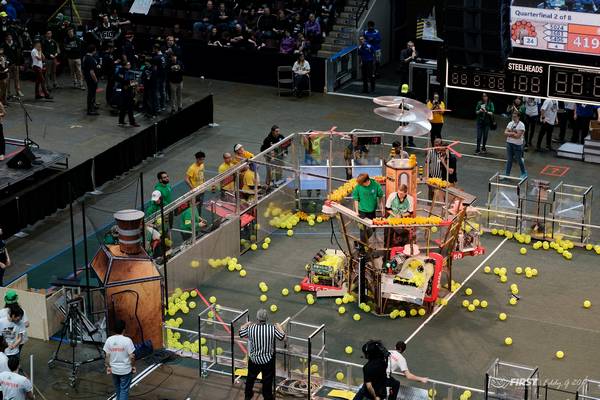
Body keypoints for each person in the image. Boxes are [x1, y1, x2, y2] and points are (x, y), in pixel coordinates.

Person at [239, 309, 286, 400]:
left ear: (257, 318)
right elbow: (283, 338)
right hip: (267, 360)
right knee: (267, 381)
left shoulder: (251, 328)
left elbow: (241, 333)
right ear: (266, 318)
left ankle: (248, 395)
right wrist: (279, 327)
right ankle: (267, 397)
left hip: (254, 360)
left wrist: (246, 324)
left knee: (250, 378)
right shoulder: (271, 329)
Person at [104, 319, 136, 400]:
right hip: (125, 370)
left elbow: (107, 356)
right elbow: (132, 357)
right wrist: (133, 366)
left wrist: (108, 366)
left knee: (118, 389)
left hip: (114, 370)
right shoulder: (127, 341)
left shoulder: (109, 340)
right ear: (124, 330)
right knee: (124, 390)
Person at [352, 173, 384, 244]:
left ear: (367, 181)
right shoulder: (358, 186)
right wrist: (357, 211)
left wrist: (382, 208)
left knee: (373, 228)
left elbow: (380, 197)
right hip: (362, 211)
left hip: (372, 211)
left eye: (362, 184)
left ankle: (361, 243)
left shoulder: (376, 185)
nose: (361, 185)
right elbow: (356, 199)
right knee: (362, 230)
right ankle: (362, 246)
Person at [115, 61, 139, 127]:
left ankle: (121, 121)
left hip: (125, 91)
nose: (130, 65)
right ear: (125, 65)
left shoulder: (124, 71)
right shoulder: (123, 71)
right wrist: (135, 83)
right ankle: (132, 122)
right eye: (128, 64)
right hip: (126, 91)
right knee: (130, 107)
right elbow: (126, 81)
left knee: (124, 107)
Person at [504, 111, 527, 179]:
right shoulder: (510, 123)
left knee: (519, 159)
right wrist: (513, 134)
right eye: (513, 116)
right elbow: (505, 133)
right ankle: (507, 175)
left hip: (517, 145)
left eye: (515, 116)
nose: (513, 117)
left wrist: (509, 134)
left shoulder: (521, 125)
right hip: (509, 143)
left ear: (518, 117)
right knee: (509, 160)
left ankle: (524, 172)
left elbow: (518, 136)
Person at [185, 151, 206, 216]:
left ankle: (199, 218)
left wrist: (204, 182)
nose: (202, 161)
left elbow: (202, 174)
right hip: (196, 191)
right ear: (197, 159)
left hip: (202, 189)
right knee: (195, 206)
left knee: (200, 205)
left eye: (203, 159)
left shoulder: (202, 165)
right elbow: (186, 179)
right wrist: (193, 188)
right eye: (201, 159)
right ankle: (196, 219)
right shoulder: (192, 168)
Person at [2, 34, 23, 98]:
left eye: (10, 37)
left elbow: (18, 55)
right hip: (8, 65)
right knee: (8, 79)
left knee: (17, 78)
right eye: (8, 37)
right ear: (6, 38)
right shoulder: (3, 45)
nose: (10, 38)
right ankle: (8, 92)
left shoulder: (15, 44)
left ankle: (18, 91)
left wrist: (18, 64)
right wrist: (6, 62)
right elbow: (3, 55)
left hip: (15, 64)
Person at [82, 45, 99, 115]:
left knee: (91, 94)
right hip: (91, 79)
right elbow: (92, 72)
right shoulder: (91, 59)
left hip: (87, 77)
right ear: (93, 50)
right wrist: (96, 80)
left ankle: (91, 106)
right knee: (91, 94)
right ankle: (90, 110)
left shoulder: (85, 57)